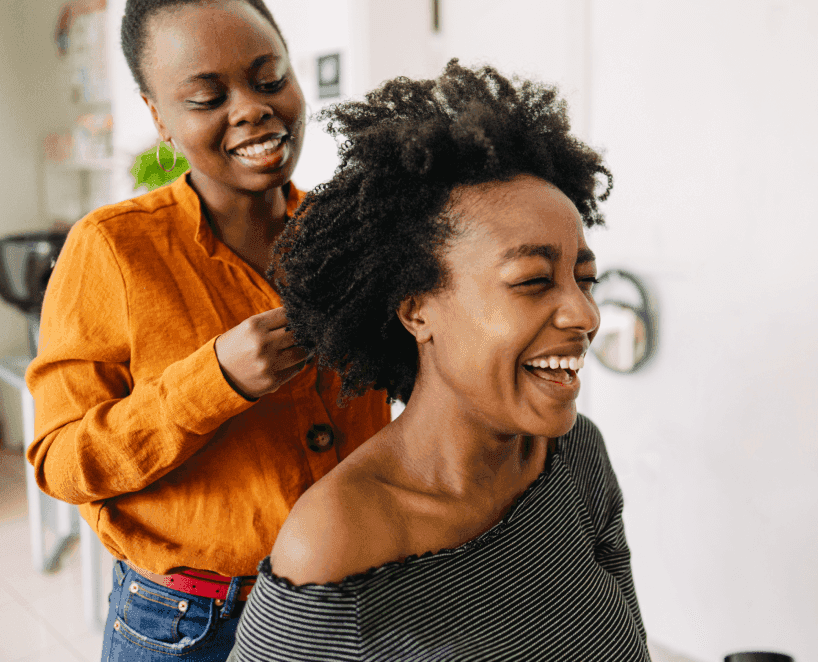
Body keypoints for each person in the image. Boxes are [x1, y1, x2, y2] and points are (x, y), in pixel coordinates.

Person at [25, 0, 391, 662]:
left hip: (351, 597)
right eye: (206, 96)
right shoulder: (110, 251)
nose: (252, 108)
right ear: (160, 117)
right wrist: (213, 381)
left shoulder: (353, 236)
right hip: (191, 625)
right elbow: (61, 462)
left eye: (268, 77)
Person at [228, 60, 650, 661]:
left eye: (584, 280)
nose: (584, 315)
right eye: (533, 280)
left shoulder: (576, 453)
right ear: (418, 311)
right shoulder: (338, 541)